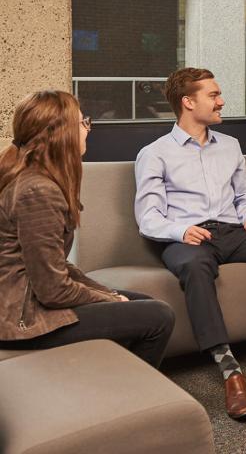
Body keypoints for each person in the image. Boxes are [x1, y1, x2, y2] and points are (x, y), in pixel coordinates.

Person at [134, 68, 246, 420]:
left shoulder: (230, 146)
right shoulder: (155, 153)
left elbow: (243, 195)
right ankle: (230, 370)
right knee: (195, 266)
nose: (221, 101)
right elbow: (148, 218)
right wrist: (180, 231)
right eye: (213, 95)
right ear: (188, 102)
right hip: (188, 238)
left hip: (233, 232)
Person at [0, 91, 174, 368]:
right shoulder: (38, 191)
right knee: (159, 317)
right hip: (22, 319)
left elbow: (57, 266)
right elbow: (53, 290)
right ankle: (128, 397)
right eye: (83, 123)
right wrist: (109, 298)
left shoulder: (37, 179)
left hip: (29, 302)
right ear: (60, 134)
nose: (88, 129)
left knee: (142, 302)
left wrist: (106, 293)